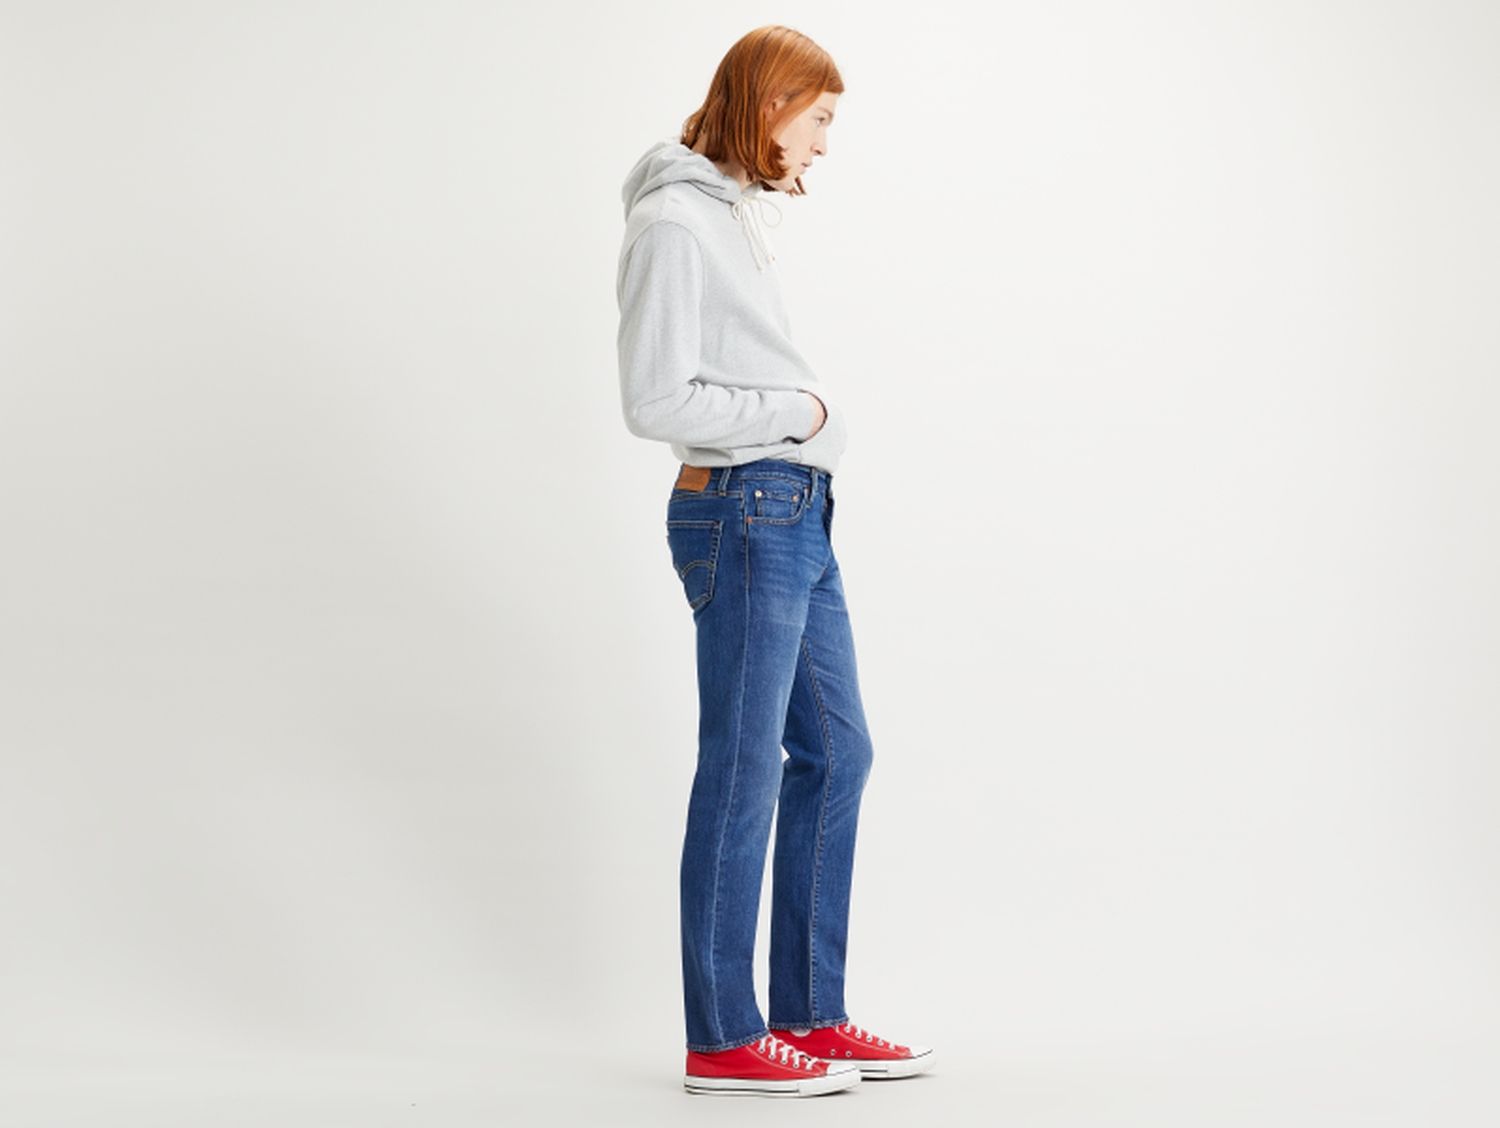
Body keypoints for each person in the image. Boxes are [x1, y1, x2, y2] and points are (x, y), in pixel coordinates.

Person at [615, 25, 934, 1098]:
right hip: (744, 510)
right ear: (771, 104)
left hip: (794, 510)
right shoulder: (674, 222)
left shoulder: (727, 214)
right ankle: (723, 1037)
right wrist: (798, 413)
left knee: (837, 754)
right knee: (744, 766)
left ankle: (808, 1015)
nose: (826, 143)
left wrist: (804, 435)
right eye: (821, 118)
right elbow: (655, 398)